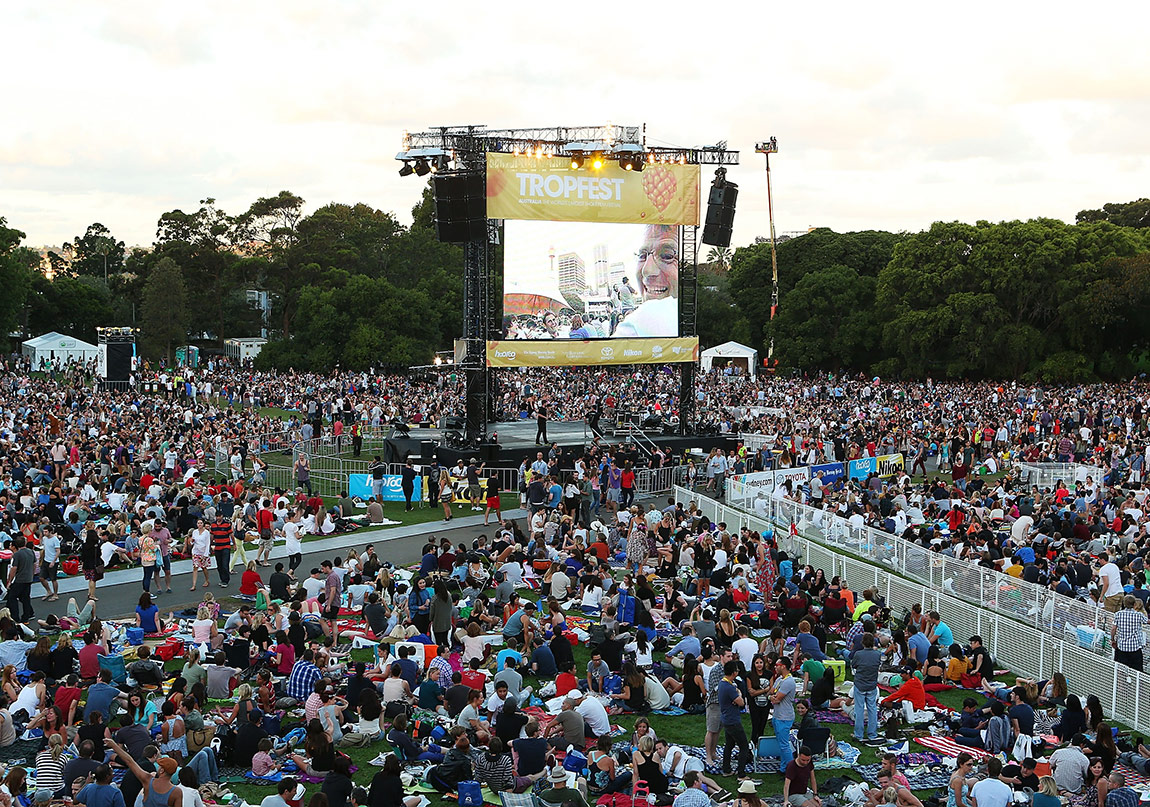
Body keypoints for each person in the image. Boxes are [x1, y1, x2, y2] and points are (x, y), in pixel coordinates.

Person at [718, 660, 752, 778]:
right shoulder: (730, 687)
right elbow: (741, 703)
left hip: (726, 719)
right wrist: (739, 694)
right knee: (744, 746)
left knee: (729, 744)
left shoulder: (722, 683)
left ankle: (726, 769)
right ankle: (741, 774)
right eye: (737, 670)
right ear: (733, 673)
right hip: (733, 721)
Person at [851, 634, 882, 744]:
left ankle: (858, 734)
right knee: (872, 709)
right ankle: (872, 734)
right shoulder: (877, 654)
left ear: (863, 642)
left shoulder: (858, 654)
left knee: (859, 709)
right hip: (872, 684)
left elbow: (853, 665)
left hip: (860, 684)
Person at [1111, 595, 1147, 672]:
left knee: (1121, 670)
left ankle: (1121, 684)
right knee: (1137, 671)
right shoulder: (1139, 615)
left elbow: (1113, 629)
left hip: (1122, 647)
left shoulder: (1118, 614)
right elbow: (1146, 621)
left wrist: (1113, 640)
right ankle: (1136, 684)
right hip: (1135, 647)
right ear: (1134, 604)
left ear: (1124, 603)